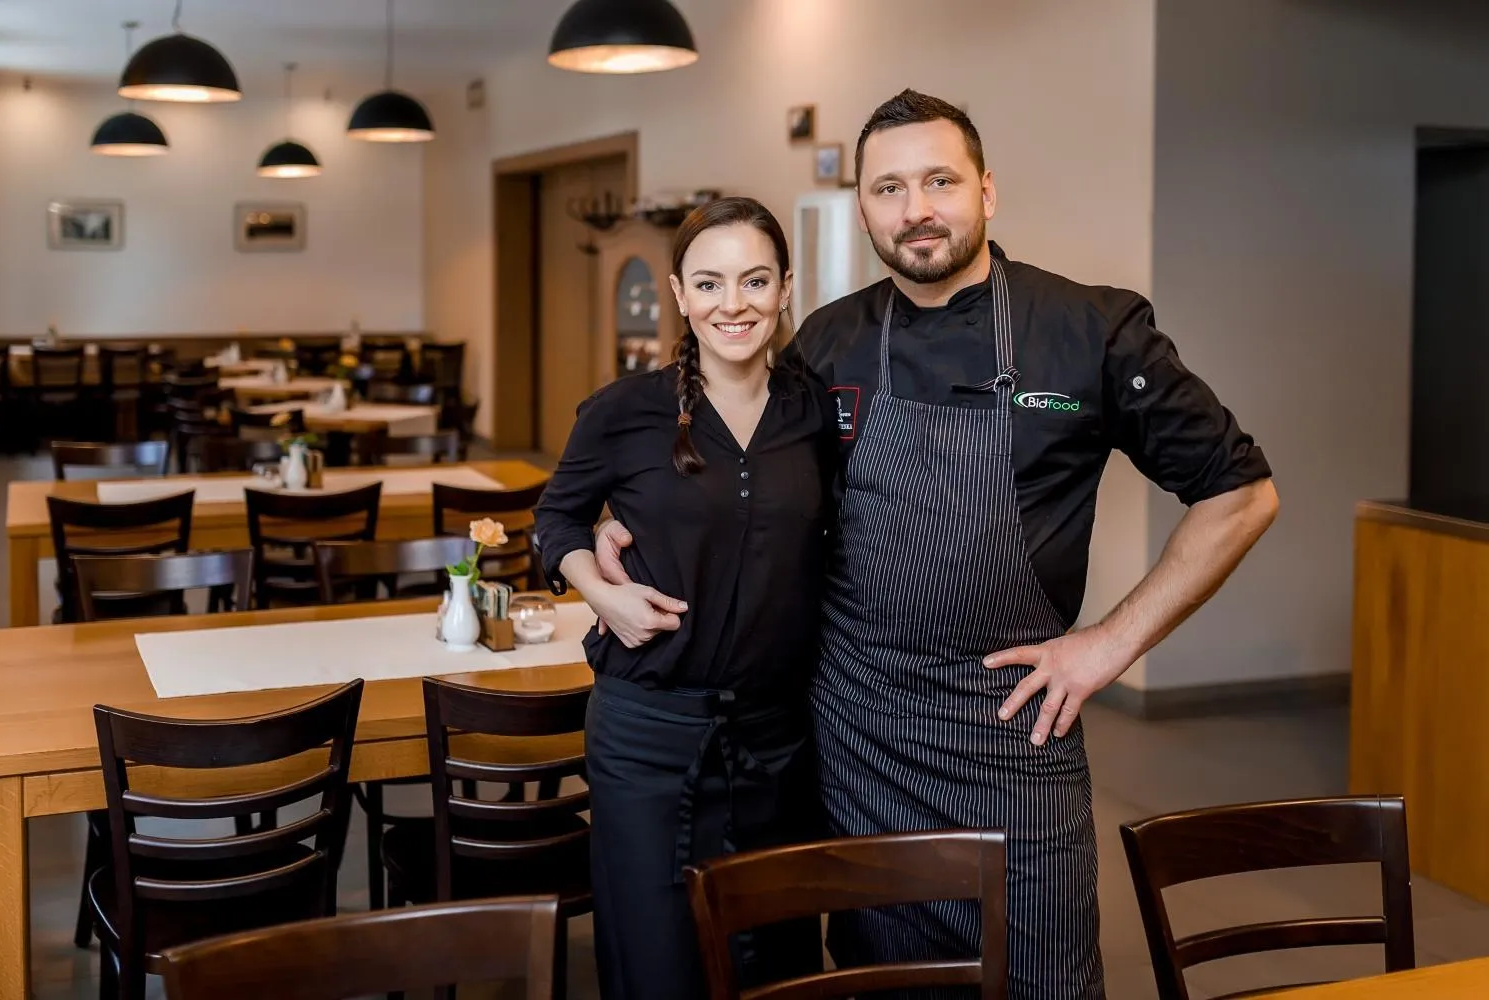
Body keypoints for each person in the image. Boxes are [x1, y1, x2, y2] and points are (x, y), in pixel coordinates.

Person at [589, 91, 1279, 998]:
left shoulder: (1090, 331)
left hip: (1015, 734)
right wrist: (616, 522)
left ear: (986, 191)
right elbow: (736, 473)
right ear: (864, 207)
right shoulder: (828, 341)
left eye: (940, 181)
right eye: (889, 188)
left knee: (1042, 978)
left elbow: (1241, 493)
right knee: (878, 981)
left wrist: (1109, 644)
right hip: (857, 730)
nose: (916, 208)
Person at [533, 196, 831, 1000]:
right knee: (657, 961)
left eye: (755, 280)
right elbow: (553, 518)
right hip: (649, 733)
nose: (732, 304)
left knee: (776, 959)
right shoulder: (623, 411)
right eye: (710, 283)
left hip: (778, 738)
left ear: (786, 288)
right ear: (678, 294)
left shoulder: (818, 415)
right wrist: (603, 593)